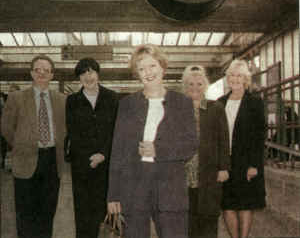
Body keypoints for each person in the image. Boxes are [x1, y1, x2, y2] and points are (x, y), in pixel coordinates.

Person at [107, 44, 198, 238]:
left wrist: (158, 150)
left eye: (152, 66)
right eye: (141, 68)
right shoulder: (127, 105)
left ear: (162, 67)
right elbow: (118, 150)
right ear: (137, 73)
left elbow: (190, 144)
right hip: (134, 187)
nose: (147, 72)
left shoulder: (182, 103)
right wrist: (113, 194)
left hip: (170, 188)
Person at [1, 55, 66, 238]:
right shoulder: (16, 98)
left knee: (47, 213)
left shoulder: (62, 100)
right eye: (38, 69)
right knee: (25, 215)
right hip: (25, 161)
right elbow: (6, 127)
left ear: (52, 75)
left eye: (46, 70)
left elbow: (66, 129)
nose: (42, 73)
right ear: (31, 73)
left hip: (53, 162)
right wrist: (21, 144)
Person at [65, 57, 119, 238]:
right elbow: (73, 133)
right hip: (83, 165)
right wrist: (90, 156)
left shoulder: (112, 98)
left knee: (109, 214)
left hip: (109, 165)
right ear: (79, 78)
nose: (88, 76)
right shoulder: (72, 101)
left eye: (91, 71)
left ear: (98, 74)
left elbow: (116, 131)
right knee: (84, 214)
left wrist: (103, 154)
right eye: (83, 73)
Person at [218, 59, 266, 238]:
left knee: (245, 204)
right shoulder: (219, 103)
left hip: (246, 162)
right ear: (228, 78)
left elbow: (259, 136)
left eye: (239, 75)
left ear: (246, 79)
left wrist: (254, 165)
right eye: (232, 75)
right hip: (225, 162)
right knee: (227, 204)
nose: (235, 79)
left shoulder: (255, 103)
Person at [182, 65, 230, 238]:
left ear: (206, 85)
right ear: (185, 86)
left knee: (208, 219)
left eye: (199, 84)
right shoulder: (178, 109)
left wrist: (224, 167)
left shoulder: (215, 108)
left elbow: (224, 139)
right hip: (184, 174)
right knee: (188, 220)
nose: (195, 87)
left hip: (209, 173)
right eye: (190, 84)